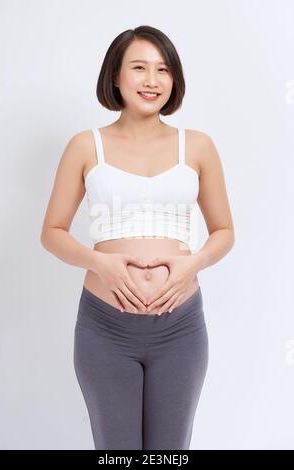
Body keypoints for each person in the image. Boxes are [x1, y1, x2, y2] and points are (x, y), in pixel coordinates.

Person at [40, 25, 235, 450]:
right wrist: (100, 262)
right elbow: (52, 233)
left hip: (180, 327)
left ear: (174, 79)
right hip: (104, 329)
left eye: (163, 69)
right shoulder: (85, 146)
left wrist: (193, 264)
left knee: (169, 455)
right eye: (139, 68)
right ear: (115, 76)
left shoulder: (198, 146)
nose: (152, 80)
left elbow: (223, 232)